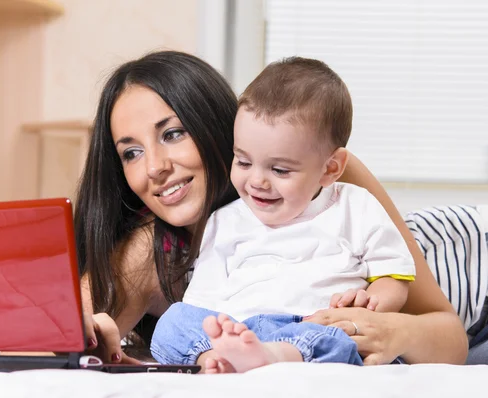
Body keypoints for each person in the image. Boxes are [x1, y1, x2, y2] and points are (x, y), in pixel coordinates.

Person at [73, 50, 469, 367]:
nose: (154, 167)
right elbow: (58, 335)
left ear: (218, 128)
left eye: (173, 133)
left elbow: (449, 336)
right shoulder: (149, 249)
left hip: (459, 268)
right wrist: (94, 340)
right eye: (132, 152)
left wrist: (391, 330)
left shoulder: (332, 183)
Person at [149, 57, 416, 373]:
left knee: (340, 340)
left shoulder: (355, 207)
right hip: (241, 327)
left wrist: (369, 307)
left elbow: (394, 276)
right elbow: (201, 305)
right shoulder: (224, 221)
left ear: (330, 168)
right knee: (173, 321)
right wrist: (216, 333)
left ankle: (275, 356)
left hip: (311, 323)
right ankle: (215, 360)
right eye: (244, 162)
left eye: (279, 169)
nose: (257, 182)